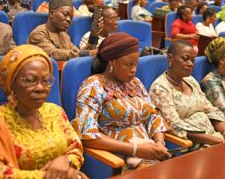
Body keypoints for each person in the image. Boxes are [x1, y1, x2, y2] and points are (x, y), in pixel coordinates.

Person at [0, 45, 86, 178]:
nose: (40, 88)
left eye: (46, 81)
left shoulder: (55, 112)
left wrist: (66, 160)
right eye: (30, 80)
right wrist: (46, 176)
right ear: (11, 84)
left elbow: (75, 148)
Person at [72, 32, 171, 170]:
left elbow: (154, 117)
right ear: (111, 63)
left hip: (149, 153)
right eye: (129, 65)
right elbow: (87, 134)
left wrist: (159, 143)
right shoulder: (94, 86)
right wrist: (135, 149)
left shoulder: (135, 83)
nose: (134, 70)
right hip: (118, 159)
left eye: (136, 64)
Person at [149, 40, 225, 145]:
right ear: (170, 58)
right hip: (192, 145)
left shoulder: (190, 80)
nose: (190, 64)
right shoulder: (160, 88)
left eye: (193, 60)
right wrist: (218, 141)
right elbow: (175, 127)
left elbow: (210, 110)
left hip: (215, 137)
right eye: (185, 59)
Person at [28, 0, 96, 61]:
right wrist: (89, 53)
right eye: (65, 14)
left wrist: (93, 35)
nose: (69, 20)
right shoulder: (38, 34)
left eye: (71, 17)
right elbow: (53, 54)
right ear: (52, 13)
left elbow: (79, 54)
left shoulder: (64, 35)